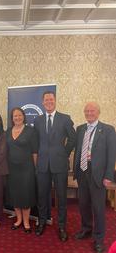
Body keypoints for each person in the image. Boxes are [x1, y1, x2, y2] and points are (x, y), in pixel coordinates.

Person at [74, 102, 116, 253]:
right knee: (83, 204)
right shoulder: (80, 129)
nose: (89, 113)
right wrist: (76, 171)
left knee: (98, 208)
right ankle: (86, 229)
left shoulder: (108, 130)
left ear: (98, 112)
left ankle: (99, 239)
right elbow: (78, 150)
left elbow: (112, 155)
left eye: (92, 111)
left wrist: (108, 176)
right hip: (82, 171)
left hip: (98, 174)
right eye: (87, 111)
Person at [34, 91, 76, 241]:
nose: (49, 102)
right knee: (42, 196)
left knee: (62, 197)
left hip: (60, 164)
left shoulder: (65, 118)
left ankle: (62, 226)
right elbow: (35, 141)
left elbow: (73, 138)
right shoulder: (38, 120)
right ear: (43, 102)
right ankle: (42, 222)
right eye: (46, 100)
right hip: (43, 165)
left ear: (55, 101)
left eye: (51, 99)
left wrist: (64, 153)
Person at [6, 108, 38, 233]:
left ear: (23, 117)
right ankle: (18, 219)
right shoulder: (8, 131)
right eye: (15, 116)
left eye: (19, 115)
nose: (17, 118)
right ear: (12, 118)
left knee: (26, 195)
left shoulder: (31, 131)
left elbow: (35, 151)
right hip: (12, 169)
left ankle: (26, 222)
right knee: (15, 195)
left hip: (27, 169)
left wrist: (35, 168)